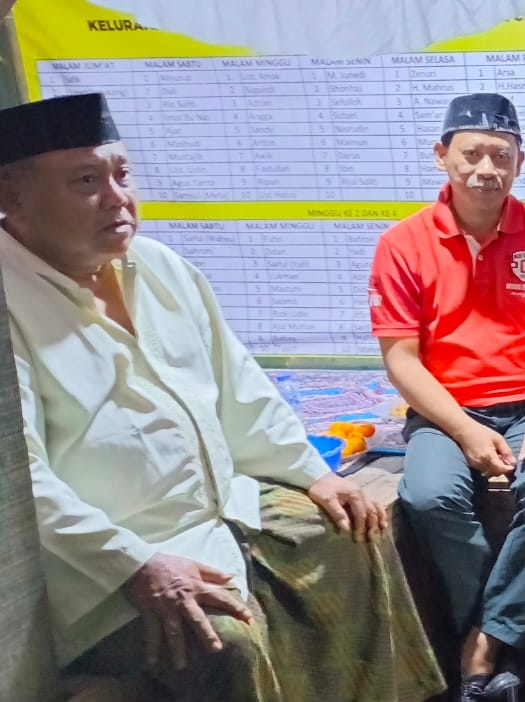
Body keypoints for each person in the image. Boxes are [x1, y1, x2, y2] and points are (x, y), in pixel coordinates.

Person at [1, 93, 444, 701]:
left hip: (221, 512)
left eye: (122, 175)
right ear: (12, 197)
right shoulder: (10, 305)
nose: (117, 197)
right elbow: (21, 484)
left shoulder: (160, 267)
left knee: (352, 531)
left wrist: (313, 474)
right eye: (86, 181)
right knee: (222, 643)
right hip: (104, 568)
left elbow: (240, 388)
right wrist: (133, 563)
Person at [368, 92, 525, 702]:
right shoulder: (402, 244)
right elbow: (401, 358)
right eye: (472, 154)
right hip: (445, 412)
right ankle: (500, 635)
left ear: (520, 162)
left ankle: (482, 644)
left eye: (501, 155)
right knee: (428, 497)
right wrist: (465, 429)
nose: (486, 169)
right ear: (442, 155)